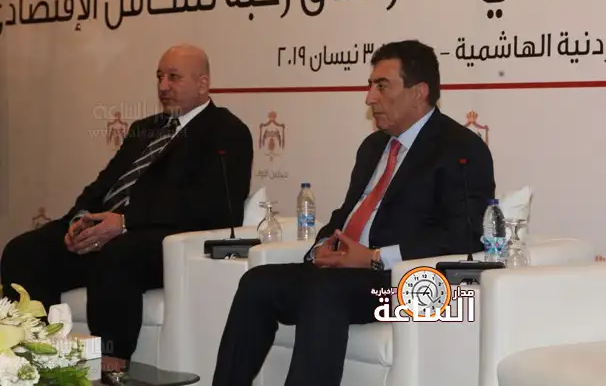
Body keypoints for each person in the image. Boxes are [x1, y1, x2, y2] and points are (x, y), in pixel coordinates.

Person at [211, 39, 496, 386]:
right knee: (258, 282)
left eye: (382, 86)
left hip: (405, 287)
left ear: (418, 92)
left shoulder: (461, 149)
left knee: (325, 291)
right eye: (370, 85)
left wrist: (374, 258)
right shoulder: (374, 146)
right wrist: (323, 247)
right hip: (347, 276)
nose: (369, 98)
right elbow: (348, 214)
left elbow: (464, 235)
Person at [0, 44, 254, 372]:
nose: (163, 86)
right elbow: (104, 185)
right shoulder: (145, 129)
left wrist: (123, 223)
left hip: (162, 241)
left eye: (174, 77)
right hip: (109, 233)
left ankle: (112, 364)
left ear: (203, 83)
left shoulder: (227, 132)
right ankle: (37, 356)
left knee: (117, 254)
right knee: (24, 251)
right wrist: (81, 219)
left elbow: (214, 207)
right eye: (160, 77)